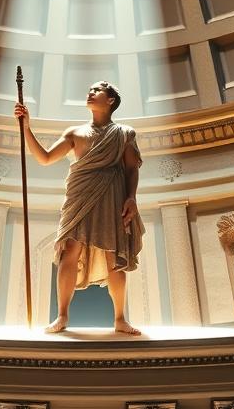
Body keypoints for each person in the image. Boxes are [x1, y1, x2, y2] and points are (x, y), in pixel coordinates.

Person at [14, 81, 144, 334]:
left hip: (111, 194)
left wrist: (132, 198)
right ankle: (62, 316)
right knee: (69, 249)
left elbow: (131, 168)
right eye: (90, 89)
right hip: (79, 194)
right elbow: (46, 158)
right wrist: (27, 129)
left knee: (113, 254)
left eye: (97, 90)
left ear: (111, 100)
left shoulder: (125, 133)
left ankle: (120, 318)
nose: (91, 92)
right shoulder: (74, 133)